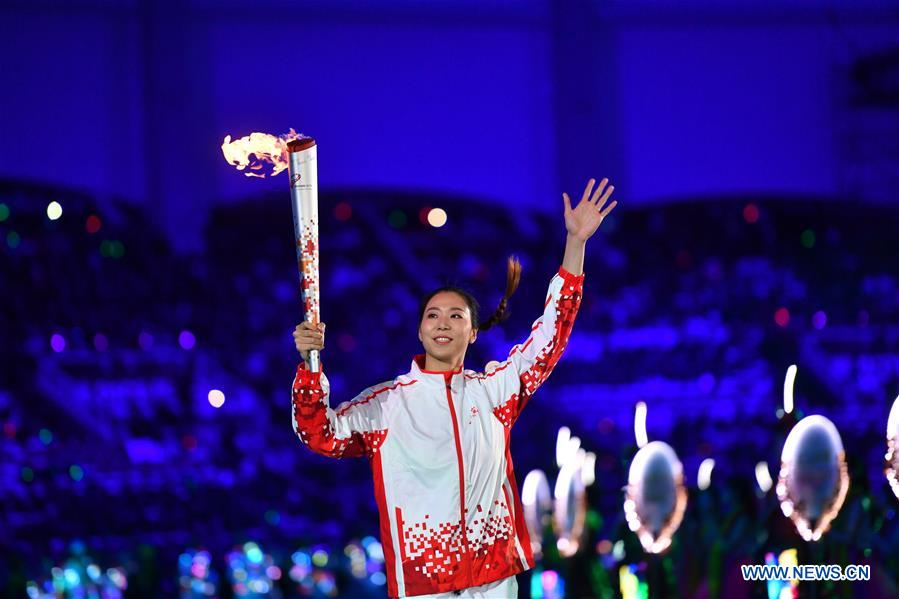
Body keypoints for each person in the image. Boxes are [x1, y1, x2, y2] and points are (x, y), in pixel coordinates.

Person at [291, 178, 617, 598]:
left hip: (493, 577)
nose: (443, 322)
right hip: (426, 582)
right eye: (433, 315)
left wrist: (575, 244)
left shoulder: (495, 393)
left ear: (474, 332)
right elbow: (317, 433)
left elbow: (550, 338)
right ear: (420, 330)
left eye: (456, 315)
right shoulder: (388, 405)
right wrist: (309, 368)